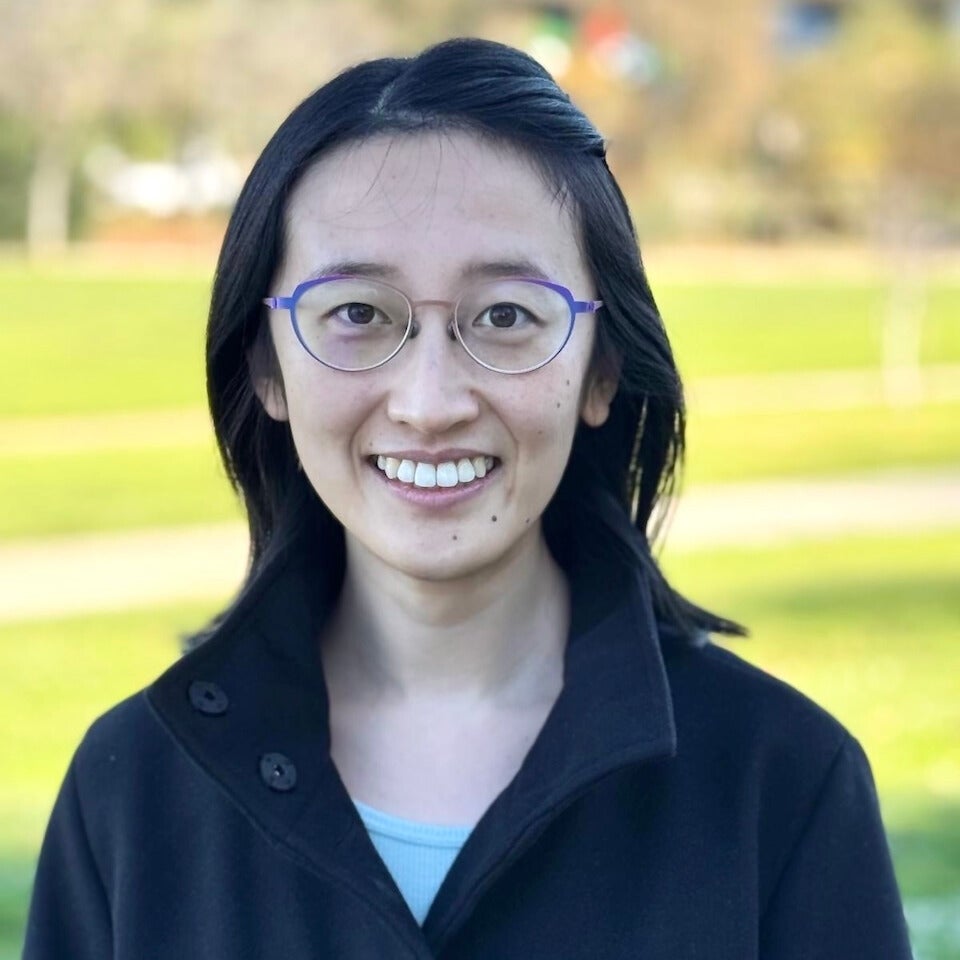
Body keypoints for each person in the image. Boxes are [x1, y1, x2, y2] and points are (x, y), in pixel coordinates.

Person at [24, 38, 912, 959]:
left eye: (507, 315)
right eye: (358, 313)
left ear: (602, 370)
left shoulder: (783, 786)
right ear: (267, 367)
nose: (430, 403)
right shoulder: (131, 795)